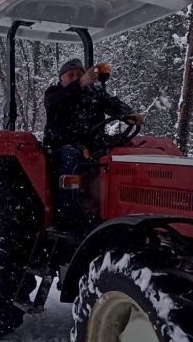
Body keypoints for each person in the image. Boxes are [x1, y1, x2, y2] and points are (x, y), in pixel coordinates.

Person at [43, 58, 144, 226]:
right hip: (61, 146)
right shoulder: (54, 93)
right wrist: (80, 84)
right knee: (72, 157)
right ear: (61, 79)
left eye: (79, 74)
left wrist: (130, 114)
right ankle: (67, 213)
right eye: (71, 75)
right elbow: (55, 104)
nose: (75, 77)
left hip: (94, 143)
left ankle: (121, 207)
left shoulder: (94, 94)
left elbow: (112, 104)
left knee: (124, 153)